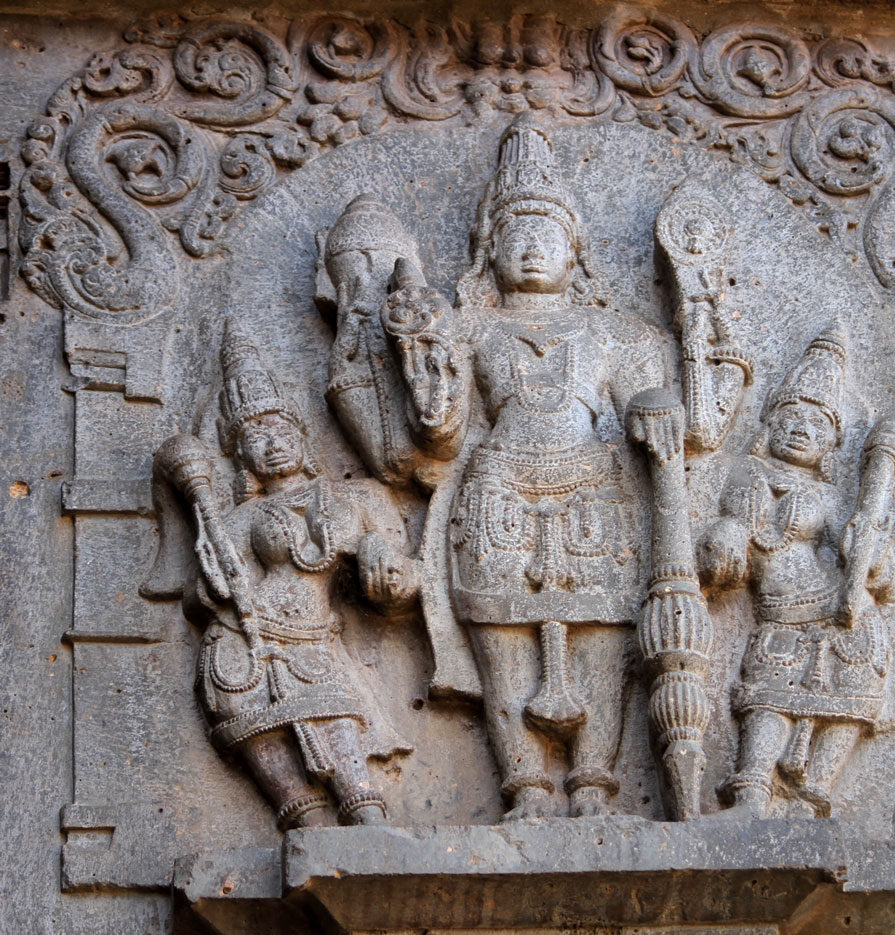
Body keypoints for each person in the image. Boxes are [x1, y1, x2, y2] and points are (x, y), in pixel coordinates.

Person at [380, 115, 677, 820]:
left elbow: (647, 405)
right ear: (491, 249)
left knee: (605, 632)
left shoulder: (613, 332)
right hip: (499, 492)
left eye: (549, 234)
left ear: (576, 249)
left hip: (595, 495)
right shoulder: (470, 327)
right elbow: (440, 431)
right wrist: (423, 354)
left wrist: (659, 404)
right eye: (517, 234)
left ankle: (596, 785)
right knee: (501, 634)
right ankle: (526, 786)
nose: (534, 246)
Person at [160, 320, 414, 830]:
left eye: (282, 430)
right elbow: (202, 594)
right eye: (255, 436)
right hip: (239, 651)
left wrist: (381, 562)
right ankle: (306, 840)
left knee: (358, 792)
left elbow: (398, 582)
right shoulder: (239, 518)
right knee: (299, 808)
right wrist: (212, 546)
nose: (273, 443)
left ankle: (371, 838)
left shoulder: (355, 498)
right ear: (239, 456)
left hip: (315, 645)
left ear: (302, 435)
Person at [696, 324, 895, 818]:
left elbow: (855, 546)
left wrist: (869, 553)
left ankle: (813, 793)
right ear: (769, 425)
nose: (803, 430)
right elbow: (730, 548)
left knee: (852, 693)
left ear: (832, 443)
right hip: (779, 613)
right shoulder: (744, 476)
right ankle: (752, 790)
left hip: (838, 604)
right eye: (792, 418)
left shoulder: (825, 496)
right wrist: (725, 546)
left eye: (818, 426)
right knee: (766, 699)